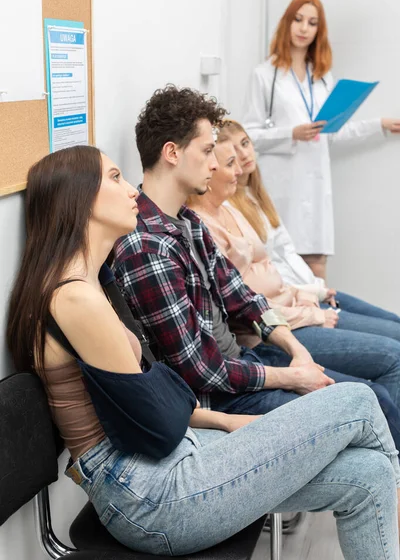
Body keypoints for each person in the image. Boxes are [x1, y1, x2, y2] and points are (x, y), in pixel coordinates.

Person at [7, 145, 400, 559]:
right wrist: (186, 402)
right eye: (117, 178)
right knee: (357, 400)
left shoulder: (95, 284)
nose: (131, 192)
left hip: (168, 462)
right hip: (150, 496)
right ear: (81, 197)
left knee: (369, 474)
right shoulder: (75, 299)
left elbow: (160, 398)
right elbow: (156, 417)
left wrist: (229, 422)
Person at [113, 85, 400, 451]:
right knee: (372, 406)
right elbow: (203, 371)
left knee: (374, 397)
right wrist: (292, 376)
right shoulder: (147, 247)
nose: (216, 164)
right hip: (221, 397)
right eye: (206, 152)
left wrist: (296, 349)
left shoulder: (186, 221)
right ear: (172, 153)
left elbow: (244, 298)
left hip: (245, 366)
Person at [242, 0, 400, 279]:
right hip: (281, 186)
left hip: (315, 186)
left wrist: (380, 125)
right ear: (287, 23)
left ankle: (325, 321)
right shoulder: (265, 75)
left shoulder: (324, 78)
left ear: (319, 30)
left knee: (316, 265)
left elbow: (333, 133)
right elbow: (249, 135)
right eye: (298, 20)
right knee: (279, 268)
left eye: (312, 23)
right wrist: (292, 133)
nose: (304, 28)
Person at [222, 118, 400, 342]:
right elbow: (268, 278)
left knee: (394, 321)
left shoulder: (257, 196)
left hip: (308, 292)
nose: (244, 155)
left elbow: (286, 251)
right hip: (294, 304)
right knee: (394, 338)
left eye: (245, 143)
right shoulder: (229, 209)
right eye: (233, 153)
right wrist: (309, 293)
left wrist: (315, 286)